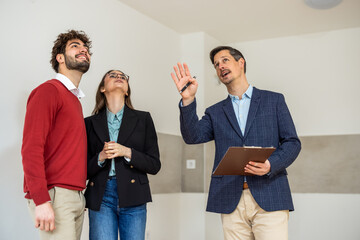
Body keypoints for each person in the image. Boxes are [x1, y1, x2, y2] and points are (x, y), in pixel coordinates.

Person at [171, 46, 301, 240]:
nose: (220, 66)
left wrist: (270, 165)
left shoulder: (274, 100)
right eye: (216, 64)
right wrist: (188, 99)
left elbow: (292, 143)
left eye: (225, 60)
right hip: (231, 199)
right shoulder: (215, 112)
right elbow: (193, 136)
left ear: (241, 63)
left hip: (271, 193)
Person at [21, 30, 92, 239]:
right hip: (55, 195)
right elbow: (31, 148)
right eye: (75, 46)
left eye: (85, 48)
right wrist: (42, 200)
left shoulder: (74, 100)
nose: (83, 50)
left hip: (76, 196)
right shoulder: (49, 91)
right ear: (60, 58)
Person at [84, 69, 161, 240]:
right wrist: (101, 157)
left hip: (134, 194)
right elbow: (82, 170)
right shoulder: (89, 123)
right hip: (101, 196)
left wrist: (126, 152)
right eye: (113, 75)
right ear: (103, 88)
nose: (119, 77)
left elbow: (155, 165)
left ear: (127, 90)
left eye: (123, 77)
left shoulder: (144, 119)